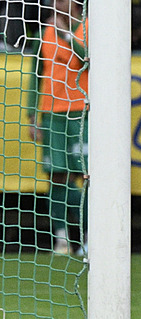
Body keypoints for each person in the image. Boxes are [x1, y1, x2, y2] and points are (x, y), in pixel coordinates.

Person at [27, 0, 88, 255]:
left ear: (73, 3)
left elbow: (84, 57)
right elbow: (35, 76)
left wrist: (64, 32)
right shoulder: (42, 34)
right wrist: (32, 116)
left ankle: (88, 238)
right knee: (56, 176)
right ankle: (62, 239)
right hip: (52, 114)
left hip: (80, 113)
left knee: (84, 177)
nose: (56, 4)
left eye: (61, 0)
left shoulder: (86, 29)